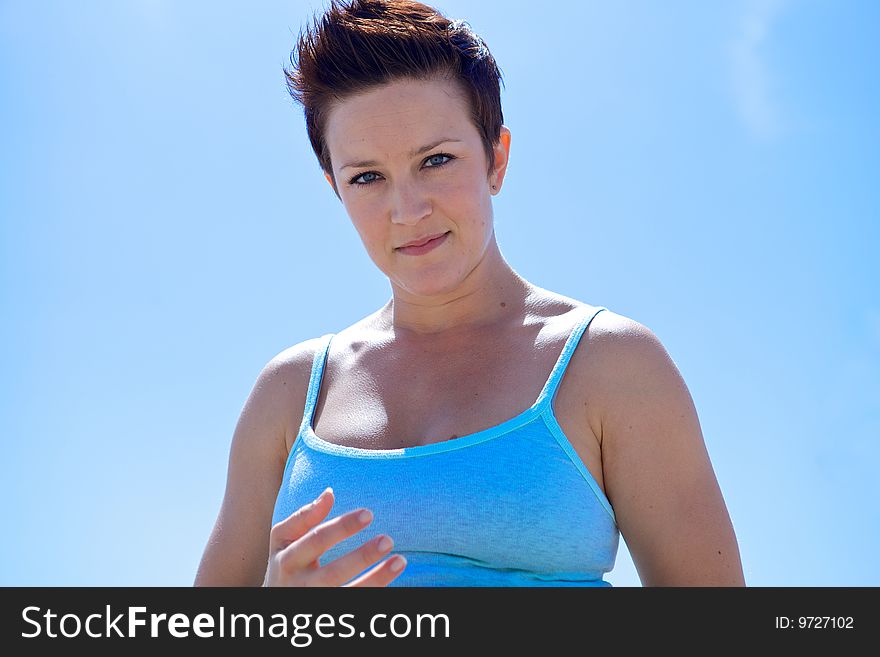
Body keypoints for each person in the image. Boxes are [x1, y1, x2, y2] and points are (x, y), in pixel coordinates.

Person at [194, 0, 745, 587]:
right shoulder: (288, 394)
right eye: (367, 177)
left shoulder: (611, 365)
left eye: (436, 160)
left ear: (496, 160)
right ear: (335, 187)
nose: (407, 211)